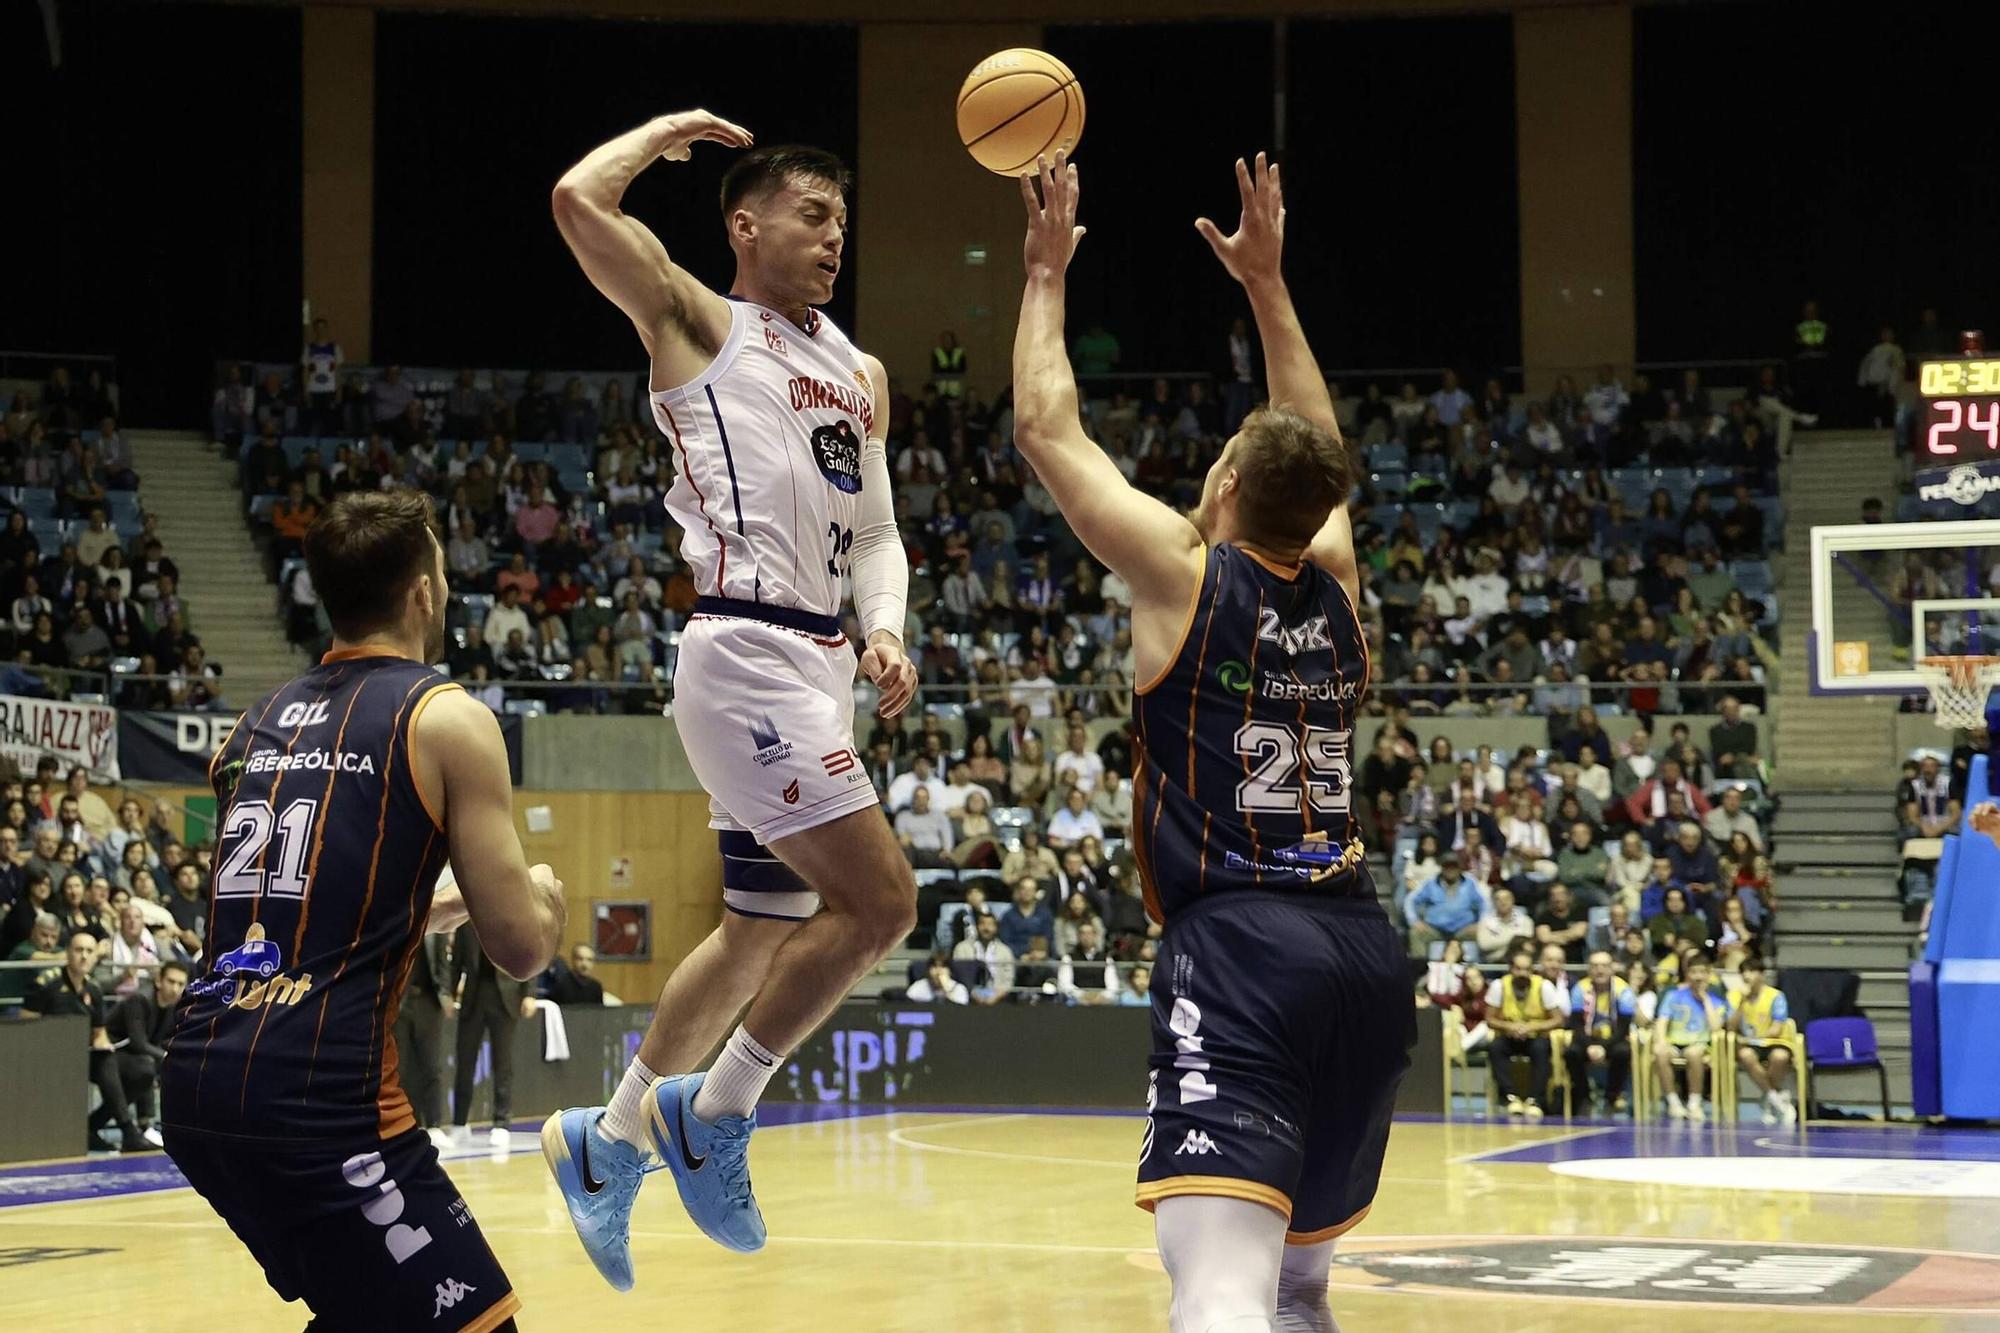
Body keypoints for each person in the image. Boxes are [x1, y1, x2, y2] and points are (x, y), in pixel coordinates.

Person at [1013, 153, 1412, 1332]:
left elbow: (1045, 426)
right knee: (1296, 1294)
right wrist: (1268, 287)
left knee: (1221, 1295)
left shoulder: (1185, 575)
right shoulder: (1338, 586)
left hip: (1240, 951)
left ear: (1228, 476)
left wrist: (1043, 271)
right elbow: (1318, 447)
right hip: (1360, 955)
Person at [542, 112, 919, 1286]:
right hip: (746, 650)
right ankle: (717, 1111)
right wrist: (658, 138)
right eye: (814, 216)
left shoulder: (859, 375)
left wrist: (886, 629)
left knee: (757, 926)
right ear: (744, 225)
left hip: (816, 666)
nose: (833, 238)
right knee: (879, 906)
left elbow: (877, 533)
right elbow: (573, 201)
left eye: (842, 222)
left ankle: (603, 1148)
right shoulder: (698, 319)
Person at [160, 489, 567, 1331]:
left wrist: (439, 905)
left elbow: (306, 902)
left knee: (364, 1311)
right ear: (423, 592)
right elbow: (522, 948)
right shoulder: (444, 715)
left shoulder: (252, 725)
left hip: (199, 1082)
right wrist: (546, 902)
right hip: (319, 1100)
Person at [25, 931, 153, 1151]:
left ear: (96, 957)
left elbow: (99, 1033)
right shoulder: (46, 984)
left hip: (84, 1056)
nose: (84, 956)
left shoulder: (94, 990)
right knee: (107, 1062)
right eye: (78, 950)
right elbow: (25, 1028)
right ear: (67, 954)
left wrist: (104, 1044)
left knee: (143, 1068)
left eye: (89, 951)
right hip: (51, 1058)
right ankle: (127, 1130)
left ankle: (92, 1127)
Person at [451, 922, 539, 1147]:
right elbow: (457, 964)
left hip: (505, 997)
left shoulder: (508, 916)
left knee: (503, 1064)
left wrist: (529, 993)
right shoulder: (465, 925)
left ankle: (501, 1123)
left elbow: (527, 954)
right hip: (473, 996)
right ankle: (459, 1123)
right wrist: (449, 994)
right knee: (465, 1061)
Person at [109, 958, 189, 1147]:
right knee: (147, 1066)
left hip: (136, 1056)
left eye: (180, 984)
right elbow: (138, 1042)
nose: (175, 988)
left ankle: (149, 1125)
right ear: (158, 981)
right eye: (171, 982)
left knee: (152, 1065)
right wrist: (166, 1056)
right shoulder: (140, 999)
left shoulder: (172, 1007)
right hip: (111, 1052)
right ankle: (146, 1125)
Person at [393, 914, 455, 1144]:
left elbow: (443, 962)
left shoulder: (432, 915)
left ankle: (435, 1124)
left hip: (428, 1000)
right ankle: (409, 1124)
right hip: (398, 1001)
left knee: (431, 1065)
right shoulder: (395, 915)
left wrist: (446, 993)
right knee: (401, 1066)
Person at [1485, 948, 1566, 1119]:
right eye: (1518, 969)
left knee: (1541, 1049)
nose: (1523, 973)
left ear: (1532, 970)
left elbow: (1558, 1020)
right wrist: (1509, 1027)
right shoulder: (1499, 986)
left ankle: (1534, 1100)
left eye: (1527, 969)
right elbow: (1489, 1019)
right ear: (1511, 969)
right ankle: (1510, 1097)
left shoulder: (1544, 986)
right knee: (1495, 1047)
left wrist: (1532, 1028)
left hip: (1535, 1037)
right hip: (1509, 1036)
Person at [1652, 953, 1728, 1121]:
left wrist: (1705, 1000)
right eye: (1693, 972)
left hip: (1701, 1044)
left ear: (1709, 974)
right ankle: (1673, 1102)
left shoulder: (1716, 999)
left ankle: (1694, 1103)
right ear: (1687, 974)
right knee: (1659, 1052)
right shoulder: (1673, 995)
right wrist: (1662, 1040)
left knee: (1693, 1054)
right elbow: (1662, 1021)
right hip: (1674, 1043)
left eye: (1702, 972)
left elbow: (1716, 1027)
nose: (1698, 977)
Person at [1729, 956, 1798, 1125]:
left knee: (1779, 1057)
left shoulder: (1776, 996)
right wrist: (1741, 1004)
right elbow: (1731, 1026)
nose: (1747, 976)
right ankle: (1775, 1097)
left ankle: (1767, 1097)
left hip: (1773, 1041)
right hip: (1748, 1044)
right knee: (1746, 1056)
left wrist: (1759, 1038)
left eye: (1751, 971)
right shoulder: (1734, 996)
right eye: (1743, 972)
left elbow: (1777, 1028)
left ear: (1762, 974)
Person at [1567, 950, 1636, 1115]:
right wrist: (1590, 1046)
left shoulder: (1623, 990)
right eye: (1595, 966)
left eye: (1604, 966)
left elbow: (1623, 1027)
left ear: (1612, 969)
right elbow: (1576, 1024)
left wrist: (1604, 1047)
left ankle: (1611, 1098)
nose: (1600, 970)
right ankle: (1584, 1098)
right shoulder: (1580, 989)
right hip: (1587, 1038)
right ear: (1589, 969)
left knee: (1623, 1051)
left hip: (1613, 1038)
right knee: (1571, 1052)